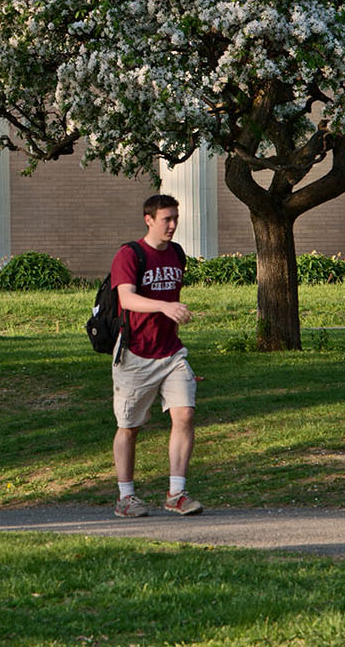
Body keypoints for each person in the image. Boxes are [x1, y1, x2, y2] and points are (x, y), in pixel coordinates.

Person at [109, 193, 201, 518]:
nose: (173, 225)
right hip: (135, 354)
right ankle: (126, 498)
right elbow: (128, 299)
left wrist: (172, 310)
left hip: (171, 352)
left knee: (185, 414)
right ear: (149, 219)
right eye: (167, 219)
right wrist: (165, 306)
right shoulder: (129, 254)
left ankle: (176, 493)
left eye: (175, 218)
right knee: (129, 427)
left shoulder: (177, 254)